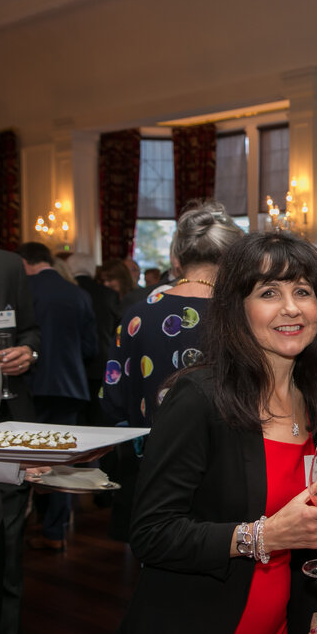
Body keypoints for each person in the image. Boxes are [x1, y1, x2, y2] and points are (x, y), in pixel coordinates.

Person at [118, 232, 317, 634]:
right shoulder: (199, 398)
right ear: (237, 308)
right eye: (269, 292)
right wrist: (262, 535)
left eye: (303, 291)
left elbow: (312, 532)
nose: (291, 307)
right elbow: (152, 534)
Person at [100, 200, 243, 540]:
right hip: (227, 471)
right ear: (234, 257)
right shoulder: (241, 314)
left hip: (149, 468)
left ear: (177, 257)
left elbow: (112, 399)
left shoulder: (137, 315)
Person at [17, 242, 97, 552]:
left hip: (30, 386)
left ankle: (23, 527)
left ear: (24, 263)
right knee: (61, 462)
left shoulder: (22, 291)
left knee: (24, 459)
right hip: (69, 387)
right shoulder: (77, 293)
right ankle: (55, 532)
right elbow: (90, 348)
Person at [0, 248, 40, 634]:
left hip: (6, 434)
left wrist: (29, 352)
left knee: (6, 560)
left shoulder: (5, 266)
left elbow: (32, 330)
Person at [66, 252, 120, 427]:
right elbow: (116, 331)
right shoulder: (108, 294)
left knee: (75, 423)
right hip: (101, 364)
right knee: (99, 420)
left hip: (72, 366)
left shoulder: (68, 293)